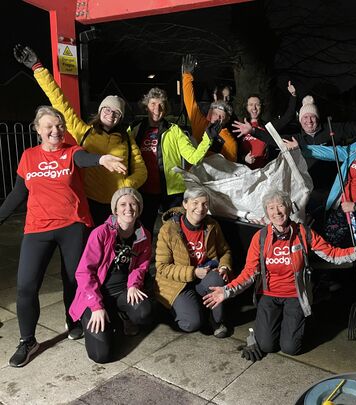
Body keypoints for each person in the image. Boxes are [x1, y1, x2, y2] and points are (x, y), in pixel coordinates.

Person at [0, 106, 127, 367]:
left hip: (73, 225)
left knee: (72, 280)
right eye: (49, 126)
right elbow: (17, 193)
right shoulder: (28, 156)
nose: (55, 131)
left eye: (59, 125)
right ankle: (28, 341)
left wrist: (101, 160)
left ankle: (73, 320)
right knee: (25, 286)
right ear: (37, 130)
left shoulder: (72, 152)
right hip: (37, 228)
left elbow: (84, 159)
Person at [203, 190, 356, 359]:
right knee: (266, 346)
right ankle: (264, 331)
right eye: (271, 208)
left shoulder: (303, 233)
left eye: (281, 205)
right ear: (267, 213)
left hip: (295, 295)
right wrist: (226, 291)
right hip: (269, 295)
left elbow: (332, 254)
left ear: (288, 208)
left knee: (291, 348)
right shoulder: (260, 237)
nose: (277, 211)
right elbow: (249, 273)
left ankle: (297, 321)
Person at [14, 44, 148, 225]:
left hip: (117, 203)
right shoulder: (83, 131)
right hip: (88, 201)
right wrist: (38, 68)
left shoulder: (126, 139)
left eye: (116, 112)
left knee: (113, 248)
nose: (110, 113)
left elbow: (141, 170)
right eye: (106, 109)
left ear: (120, 118)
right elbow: (59, 102)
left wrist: (126, 185)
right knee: (91, 248)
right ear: (100, 111)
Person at [283, 110, 356, 305]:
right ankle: (327, 285)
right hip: (342, 207)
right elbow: (333, 152)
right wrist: (302, 148)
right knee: (329, 247)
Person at [247, 95, 356, 227]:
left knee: (329, 223)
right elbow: (275, 139)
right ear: (300, 120)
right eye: (305, 117)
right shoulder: (297, 138)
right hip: (309, 191)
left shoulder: (330, 130)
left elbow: (354, 127)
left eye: (312, 117)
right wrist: (253, 131)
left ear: (317, 118)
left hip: (332, 189)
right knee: (310, 223)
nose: (309, 121)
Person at [68, 187, 153, 363]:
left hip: (122, 292)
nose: (128, 209)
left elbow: (142, 265)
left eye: (133, 204)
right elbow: (84, 272)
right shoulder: (101, 233)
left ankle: (122, 316)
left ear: (139, 208)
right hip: (97, 296)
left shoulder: (144, 235)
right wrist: (96, 307)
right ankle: (109, 317)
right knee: (101, 355)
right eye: (122, 204)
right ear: (115, 210)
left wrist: (134, 285)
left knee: (144, 312)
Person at [130, 87, 219, 234]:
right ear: (146, 106)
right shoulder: (135, 129)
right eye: (153, 104)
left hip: (172, 194)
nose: (156, 109)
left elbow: (193, 157)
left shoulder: (174, 130)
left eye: (161, 105)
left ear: (165, 109)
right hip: (144, 190)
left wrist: (208, 138)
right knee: (142, 232)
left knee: (176, 232)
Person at [154, 187, 232, 338]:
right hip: (179, 283)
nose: (200, 208)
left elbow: (225, 251)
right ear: (185, 204)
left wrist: (224, 266)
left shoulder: (212, 226)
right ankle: (178, 308)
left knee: (218, 277)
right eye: (195, 203)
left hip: (205, 277)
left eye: (205, 204)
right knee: (191, 324)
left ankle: (216, 320)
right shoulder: (168, 230)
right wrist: (193, 272)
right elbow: (162, 267)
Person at [181, 54, 238, 162]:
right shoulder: (199, 122)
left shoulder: (230, 142)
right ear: (208, 114)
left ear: (226, 120)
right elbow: (189, 101)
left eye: (221, 116)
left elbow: (231, 169)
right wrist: (187, 75)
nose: (216, 118)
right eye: (214, 114)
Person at [231, 82, 297, 169]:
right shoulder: (239, 126)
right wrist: (244, 159)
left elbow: (288, 117)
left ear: (262, 107)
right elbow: (232, 153)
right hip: (244, 172)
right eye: (251, 105)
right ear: (246, 107)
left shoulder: (268, 126)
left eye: (257, 105)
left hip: (265, 173)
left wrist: (293, 96)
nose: (254, 108)